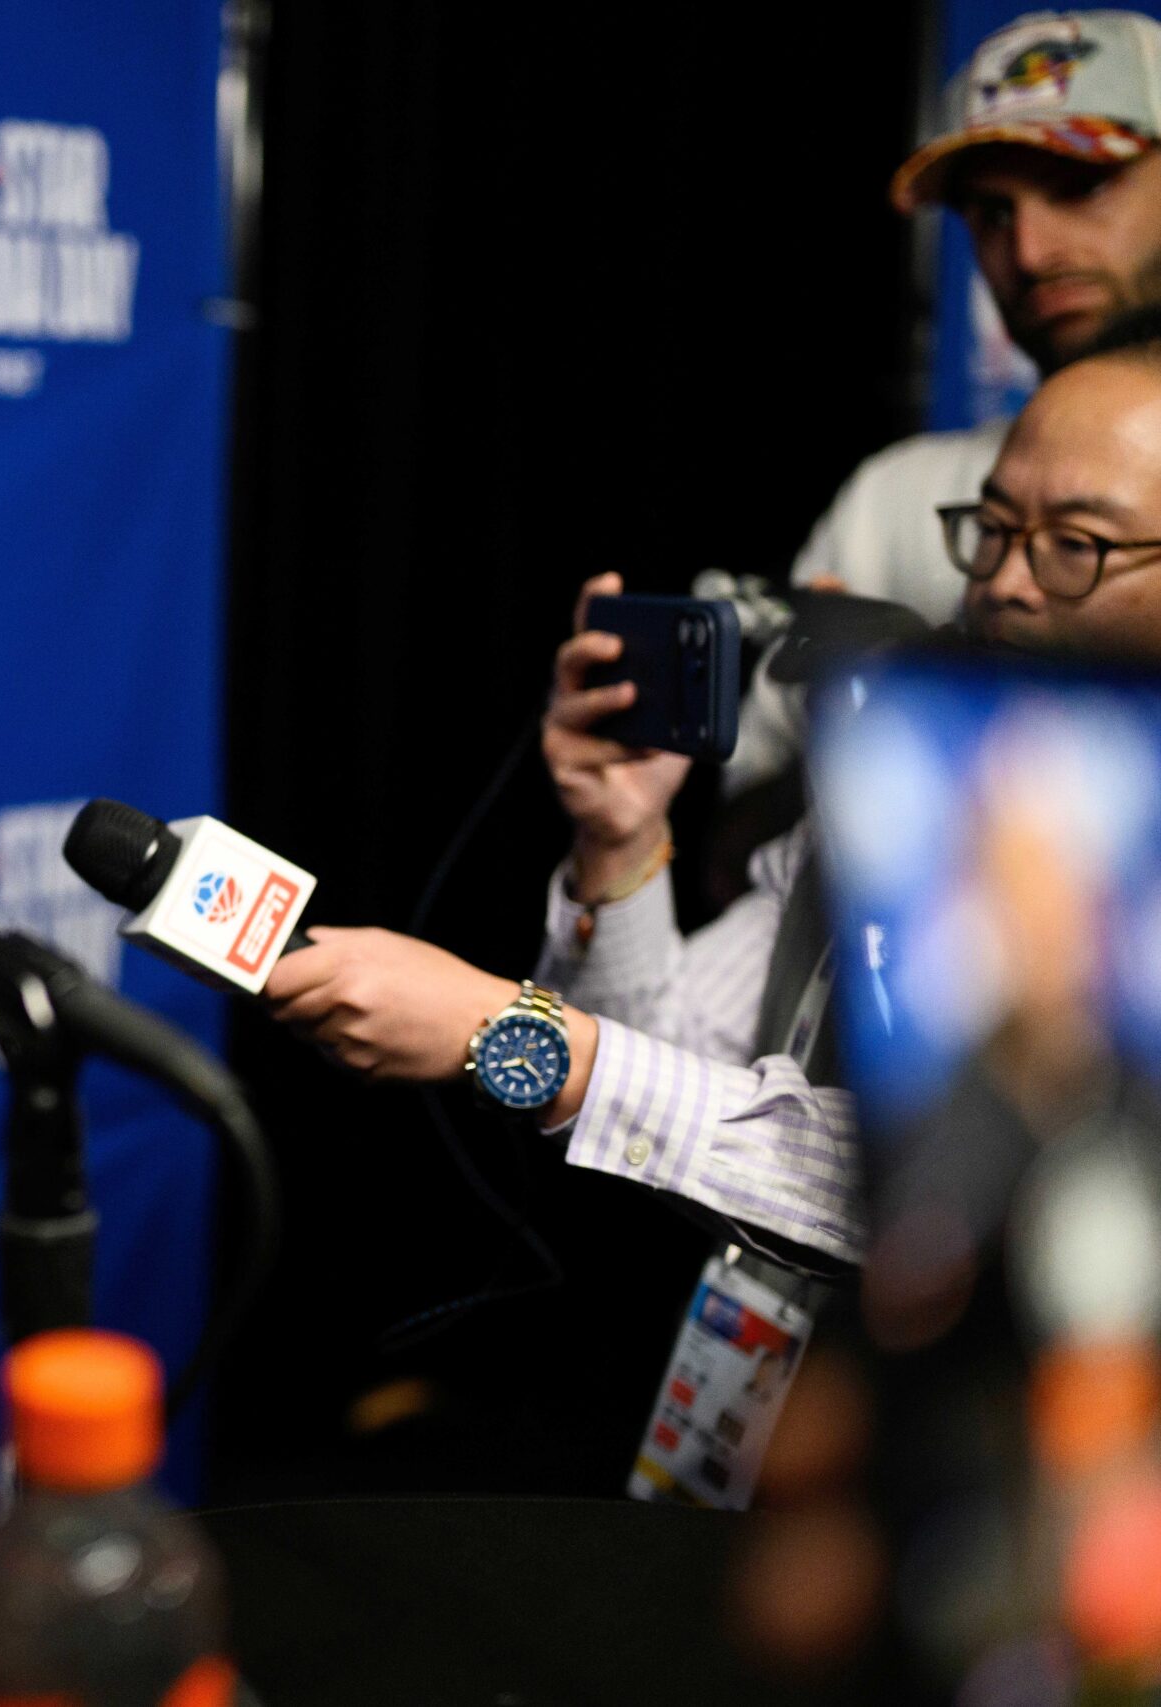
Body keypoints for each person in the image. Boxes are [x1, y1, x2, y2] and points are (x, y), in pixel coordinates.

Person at [265, 305, 1161, 1271]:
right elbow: (681, 1056)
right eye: (993, 529)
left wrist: (517, 1037)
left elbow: (926, 1177)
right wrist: (621, 840)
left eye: (1076, 544)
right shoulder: (937, 772)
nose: (1005, 582)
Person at [731, 7, 1161, 794]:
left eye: (1081, 185)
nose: (1030, 251)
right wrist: (886, 722)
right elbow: (740, 846)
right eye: (992, 213)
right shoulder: (893, 501)